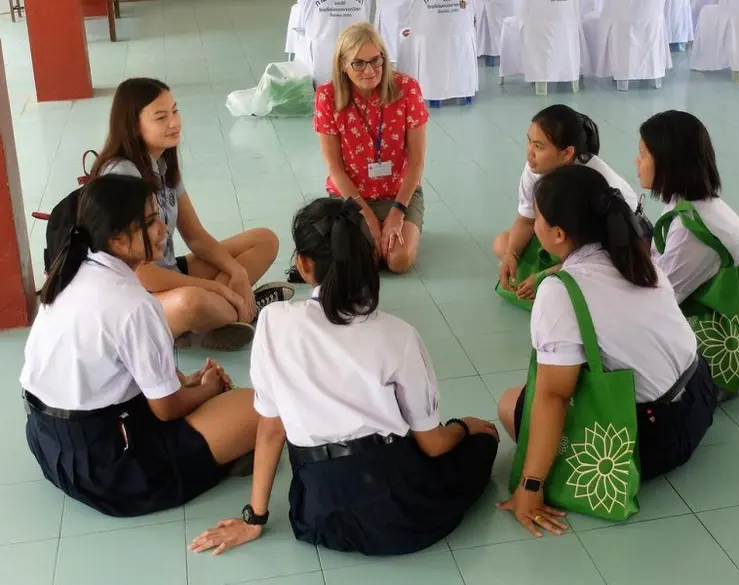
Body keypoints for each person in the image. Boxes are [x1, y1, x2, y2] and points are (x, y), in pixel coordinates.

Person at [189, 197, 499, 557]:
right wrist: (467, 426)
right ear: (370, 259)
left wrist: (254, 518)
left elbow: (271, 429)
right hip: (403, 515)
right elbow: (432, 443)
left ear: (304, 266)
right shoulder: (398, 335)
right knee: (483, 440)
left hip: (319, 514)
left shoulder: (274, 322)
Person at [20, 175, 259, 517]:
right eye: (149, 222)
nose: (163, 228)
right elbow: (166, 409)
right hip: (111, 471)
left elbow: (112, 365)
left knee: (201, 400)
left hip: (46, 442)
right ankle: (217, 455)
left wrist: (183, 381)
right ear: (117, 239)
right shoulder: (134, 304)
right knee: (256, 405)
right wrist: (208, 389)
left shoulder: (68, 272)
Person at [496, 166, 716, 536]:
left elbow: (553, 396)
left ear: (560, 233)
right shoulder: (636, 257)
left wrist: (530, 487)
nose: (533, 226)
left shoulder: (560, 293)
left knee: (510, 403)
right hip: (700, 397)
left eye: (538, 218)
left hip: (653, 437)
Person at [92, 77, 294, 352]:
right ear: (134, 126)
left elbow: (196, 237)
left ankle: (227, 314)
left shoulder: (162, 162)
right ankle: (238, 309)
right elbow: (145, 275)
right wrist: (218, 288)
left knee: (264, 240)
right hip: (137, 294)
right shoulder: (122, 176)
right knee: (193, 302)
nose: (174, 122)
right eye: (161, 117)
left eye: (175, 111)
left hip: (169, 272)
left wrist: (236, 272)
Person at [638, 110, 739, 374]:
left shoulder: (695, 230)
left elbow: (655, 304)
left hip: (728, 347)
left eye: (643, 154)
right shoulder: (689, 203)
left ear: (668, 162)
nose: (636, 161)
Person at [295, 22, 427, 278]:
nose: (370, 70)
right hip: (350, 197)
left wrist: (397, 212)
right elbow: (334, 168)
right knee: (364, 258)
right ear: (343, 65)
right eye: (358, 63)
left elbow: (417, 162)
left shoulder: (408, 89)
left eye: (376, 60)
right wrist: (365, 215)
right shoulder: (327, 96)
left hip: (398, 193)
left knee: (399, 261)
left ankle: (405, 226)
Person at [494, 105, 645, 302]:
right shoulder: (534, 169)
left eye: (538, 146)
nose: (529, 153)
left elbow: (603, 251)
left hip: (615, 246)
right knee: (502, 244)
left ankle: (556, 274)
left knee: (580, 286)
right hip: (569, 240)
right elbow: (525, 221)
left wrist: (545, 276)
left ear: (567, 153)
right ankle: (555, 271)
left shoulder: (595, 181)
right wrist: (511, 255)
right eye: (529, 141)